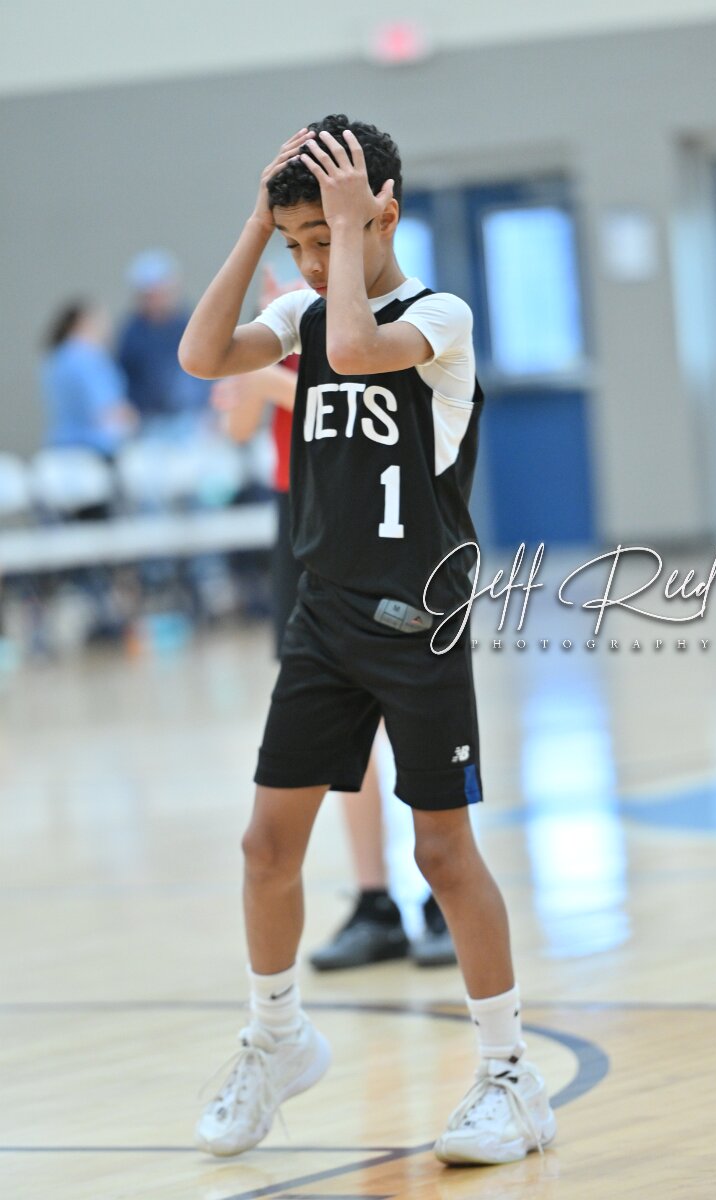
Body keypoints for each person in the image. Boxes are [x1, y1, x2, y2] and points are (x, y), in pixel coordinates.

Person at [179, 114, 556, 1166]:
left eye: (324, 235)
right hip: (324, 616)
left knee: (442, 850)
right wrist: (256, 226)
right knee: (265, 847)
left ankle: (510, 1076)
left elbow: (352, 349)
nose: (308, 259)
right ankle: (277, 1038)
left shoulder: (438, 317)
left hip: (417, 620)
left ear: (383, 212)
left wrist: (343, 233)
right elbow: (203, 354)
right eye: (296, 241)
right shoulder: (303, 307)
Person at [213, 269, 457, 972]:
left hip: (370, 514)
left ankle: (441, 891)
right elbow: (237, 427)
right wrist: (254, 361)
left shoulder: (370, 331)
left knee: (404, 710)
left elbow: (343, 404)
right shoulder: (274, 334)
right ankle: (375, 902)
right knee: (344, 724)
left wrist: (269, 374)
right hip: (298, 519)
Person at [117, 250, 211, 426]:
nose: (156, 300)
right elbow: (122, 377)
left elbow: (210, 368)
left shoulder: (190, 324)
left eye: (160, 293)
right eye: (149, 296)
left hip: (194, 419)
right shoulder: (131, 333)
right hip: (147, 421)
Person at [41, 301, 137, 464]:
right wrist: (131, 419)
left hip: (60, 447)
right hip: (93, 451)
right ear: (85, 322)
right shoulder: (88, 358)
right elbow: (104, 410)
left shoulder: (57, 357)